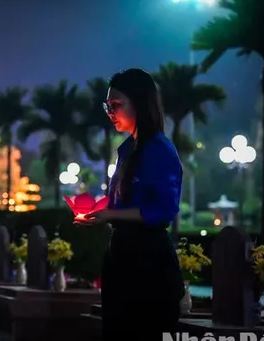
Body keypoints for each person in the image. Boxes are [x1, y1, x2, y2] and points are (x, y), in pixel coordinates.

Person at [83, 68, 184, 339]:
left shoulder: (159, 149)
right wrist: (100, 213)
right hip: (121, 259)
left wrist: (110, 215)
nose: (110, 112)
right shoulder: (128, 150)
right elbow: (121, 204)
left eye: (116, 105)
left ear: (139, 102)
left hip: (149, 264)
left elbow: (163, 209)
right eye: (108, 105)